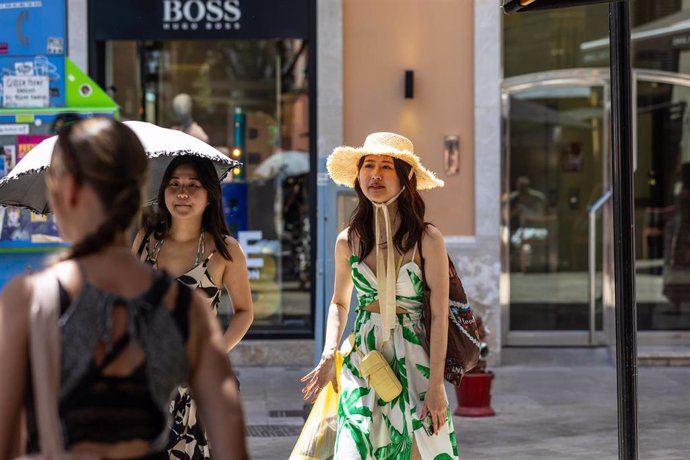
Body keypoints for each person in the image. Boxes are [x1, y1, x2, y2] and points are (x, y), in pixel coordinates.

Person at [0, 118, 247, 459]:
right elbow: (229, 443)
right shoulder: (186, 308)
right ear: (140, 194)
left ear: (61, 193)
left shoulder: (26, 299)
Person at [301, 132, 458, 459]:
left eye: (386, 166)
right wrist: (330, 351)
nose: (375, 174)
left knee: (420, 450)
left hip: (415, 357)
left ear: (405, 177)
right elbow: (339, 303)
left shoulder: (427, 239)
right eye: (368, 165)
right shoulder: (348, 240)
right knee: (357, 449)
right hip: (363, 357)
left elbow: (441, 314)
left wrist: (437, 385)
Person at [133, 155, 253, 460]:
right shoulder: (145, 240)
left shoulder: (226, 251)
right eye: (174, 185)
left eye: (192, 185)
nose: (182, 193)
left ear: (210, 194)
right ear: (163, 193)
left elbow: (244, 312)